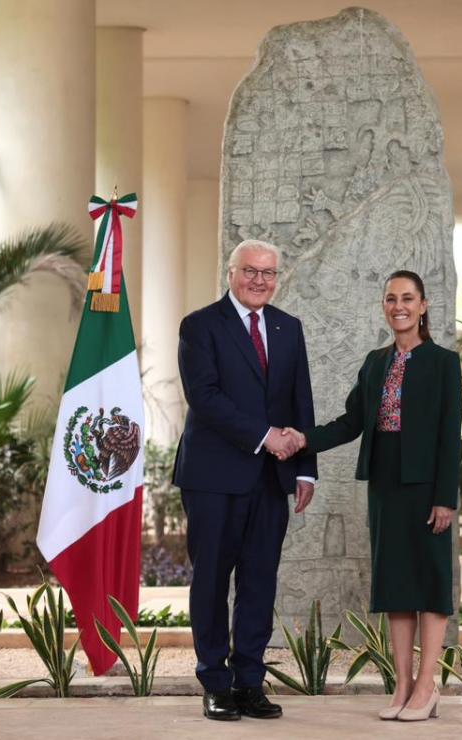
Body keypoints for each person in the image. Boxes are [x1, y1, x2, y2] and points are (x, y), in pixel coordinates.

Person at [285, 270, 461, 722]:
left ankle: (428, 684)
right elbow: (350, 422)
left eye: (407, 298)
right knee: (396, 584)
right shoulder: (374, 361)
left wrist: (445, 498)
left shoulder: (443, 362)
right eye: (390, 298)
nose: (398, 305)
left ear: (423, 305)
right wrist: (302, 439)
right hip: (385, 484)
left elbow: (448, 435)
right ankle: (402, 684)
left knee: (431, 581)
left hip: (426, 489)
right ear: (384, 306)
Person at [173, 239, 317, 722]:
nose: (260, 280)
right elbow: (205, 398)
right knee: (212, 582)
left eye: (269, 273)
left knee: (259, 583)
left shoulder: (288, 328)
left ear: (278, 278)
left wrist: (304, 467)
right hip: (214, 477)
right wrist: (264, 436)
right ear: (231, 272)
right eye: (251, 271)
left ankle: (249, 683)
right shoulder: (200, 326)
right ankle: (215, 682)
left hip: (272, 478)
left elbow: (301, 399)